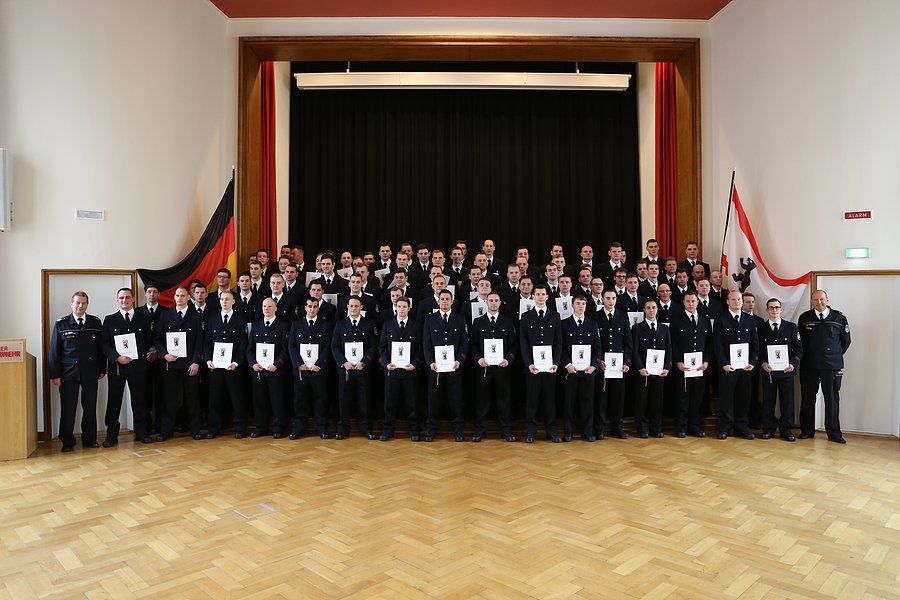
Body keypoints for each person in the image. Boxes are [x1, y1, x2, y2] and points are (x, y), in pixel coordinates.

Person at [48, 291, 106, 452]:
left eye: (84, 303)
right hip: (68, 373)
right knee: (68, 409)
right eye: (77, 303)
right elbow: (54, 352)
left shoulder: (95, 323)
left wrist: (102, 369)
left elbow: (100, 349)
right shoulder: (61, 324)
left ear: (87, 304)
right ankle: (67, 442)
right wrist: (55, 375)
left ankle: (90, 439)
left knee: (90, 407)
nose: (80, 306)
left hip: (90, 372)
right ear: (71, 304)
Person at [101, 287, 155, 446]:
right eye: (121, 298)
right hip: (118, 367)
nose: (124, 300)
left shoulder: (143, 318)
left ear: (133, 299)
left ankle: (142, 433)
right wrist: (117, 357)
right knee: (114, 402)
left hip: (138, 367)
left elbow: (148, 341)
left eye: (127, 297)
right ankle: (111, 436)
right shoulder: (110, 320)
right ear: (117, 300)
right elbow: (104, 344)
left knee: (140, 401)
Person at [798, 290, 851, 443]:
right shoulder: (805, 318)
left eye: (821, 299)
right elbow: (799, 342)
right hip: (810, 365)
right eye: (815, 300)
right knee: (808, 399)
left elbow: (846, 341)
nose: (819, 302)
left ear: (827, 299)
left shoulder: (839, 318)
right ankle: (807, 430)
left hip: (831, 366)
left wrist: (833, 355)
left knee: (832, 400)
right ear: (812, 301)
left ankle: (834, 433)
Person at [154, 286, 205, 441]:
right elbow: (157, 339)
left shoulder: (196, 317)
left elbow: (199, 342)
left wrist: (196, 362)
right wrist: (164, 355)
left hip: (189, 365)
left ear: (188, 297)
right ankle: (166, 431)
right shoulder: (165, 316)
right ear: (174, 297)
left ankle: (195, 429)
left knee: (193, 398)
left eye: (183, 295)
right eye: (177, 295)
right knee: (169, 399)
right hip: (171, 364)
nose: (180, 298)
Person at [469, 291, 517, 442]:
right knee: (482, 400)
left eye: (496, 300)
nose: (494, 303)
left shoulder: (507, 321)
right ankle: (480, 430)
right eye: (491, 300)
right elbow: (473, 345)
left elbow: (513, 345)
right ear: (486, 302)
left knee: (504, 400)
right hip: (484, 368)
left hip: (502, 368)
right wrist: (478, 359)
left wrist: (509, 359)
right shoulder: (478, 322)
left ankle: (506, 430)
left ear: (500, 303)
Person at [422, 289, 468, 442]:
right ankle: (431, 430)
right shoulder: (430, 320)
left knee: (456, 400)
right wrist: (430, 362)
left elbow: (464, 344)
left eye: (447, 299)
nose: (445, 301)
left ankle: (458, 431)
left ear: (452, 301)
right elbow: (426, 344)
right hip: (435, 369)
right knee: (433, 401)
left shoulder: (460, 319)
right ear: (438, 301)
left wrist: (459, 361)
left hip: (454, 367)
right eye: (442, 299)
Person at [713, 290, 760, 440]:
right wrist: (724, 363)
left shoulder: (749, 320)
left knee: (744, 398)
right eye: (733, 299)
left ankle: (742, 427)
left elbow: (755, 344)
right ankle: (725, 427)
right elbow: (717, 344)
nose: (737, 302)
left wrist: (753, 362)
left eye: (739, 299)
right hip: (727, 368)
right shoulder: (721, 319)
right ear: (727, 302)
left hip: (745, 368)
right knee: (726, 398)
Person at [519, 284, 562, 443]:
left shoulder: (555, 316)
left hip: (550, 367)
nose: (541, 297)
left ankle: (551, 431)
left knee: (550, 400)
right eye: (537, 294)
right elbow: (523, 343)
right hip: (533, 368)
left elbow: (559, 342)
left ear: (547, 297)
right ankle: (531, 432)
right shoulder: (526, 316)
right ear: (533, 296)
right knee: (532, 401)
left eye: (543, 294)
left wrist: (556, 362)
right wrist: (529, 363)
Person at [331, 296, 378, 440]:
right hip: (345, 370)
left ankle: (366, 429)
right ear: (347, 307)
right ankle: (343, 429)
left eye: (356, 306)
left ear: (361, 307)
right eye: (351, 306)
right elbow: (335, 346)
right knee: (344, 400)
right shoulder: (340, 324)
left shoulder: (369, 324)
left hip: (362, 369)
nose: (353, 308)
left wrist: (364, 361)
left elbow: (373, 346)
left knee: (364, 400)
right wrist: (343, 362)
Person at [204, 290, 248, 439]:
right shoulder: (212, 319)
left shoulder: (240, 319)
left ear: (233, 301)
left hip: (233, 366)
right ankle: (214, 428)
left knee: (237, 398)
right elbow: (207, 342)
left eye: (228, 299)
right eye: (222, 299)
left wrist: (236, 362)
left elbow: (243, 343)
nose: (224, 301)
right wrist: (208, 359)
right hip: (215, 366)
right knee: (214, 398)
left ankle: (240, 428)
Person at [288, 297, 333, 439]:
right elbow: (292, 346)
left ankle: (322, 428)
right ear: (305, 308)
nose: (312, 309)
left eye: (315, 306)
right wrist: (298, 364)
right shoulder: (296, 325)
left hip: (318, 370)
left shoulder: (325, 325)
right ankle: (298, 429)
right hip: (301, 370)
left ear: (318, 308)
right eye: (309, 306)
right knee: (300, 401)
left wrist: (319, 364)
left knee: (321, 400)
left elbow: (327, 346)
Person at [758, 298, 803, 441]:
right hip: (769, 372)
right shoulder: (761, 329)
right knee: (768, 401)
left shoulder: (791, 327)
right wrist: (763, 363)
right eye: (771, 308)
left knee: (787, 402)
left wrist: (792, 364)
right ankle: (768, 429)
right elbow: (757, 351)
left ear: (781, 309)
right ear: (767, 310)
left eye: (777, 307)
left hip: (786, 371)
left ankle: (786, 430)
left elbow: (799, 349)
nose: (774, 310)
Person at [379, 296, 422, 441]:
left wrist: (415, 363)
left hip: (409, 371)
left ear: (409, 308)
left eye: (404, 306)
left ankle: (414, 430)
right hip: (392, 371)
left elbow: (419, 349)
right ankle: (387, 431)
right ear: (395, 308)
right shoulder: (388, 324)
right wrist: (386, 363)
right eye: (399, 306)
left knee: (412, 403)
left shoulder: (416, 326)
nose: (402, 309)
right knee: (389, 404)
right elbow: (382, 347)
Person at [246, 297, 290, 439]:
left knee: (277, 401)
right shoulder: (256, 325)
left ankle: (278, 428)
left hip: (275, 371)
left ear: (276, 308)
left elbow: (285, 349)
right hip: (258, 371)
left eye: (270, 306)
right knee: (259, 401)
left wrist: (277, 364)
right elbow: (249, 349)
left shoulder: (283, 326)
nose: (267, 308)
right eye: (264, 306)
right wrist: (253, 364)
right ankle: (261, 428)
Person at [669, 290, 711, 437]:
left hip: (700, 367)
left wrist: (706, 361)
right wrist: (678, 362)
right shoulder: (676, 320)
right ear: (684, 302)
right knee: (682, 398)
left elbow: (709, 343)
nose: (691, 304)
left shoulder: (704, 320)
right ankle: (681, 427)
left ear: (698, 302)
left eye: (693, 301)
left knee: (697, 398)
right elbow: (672, 343)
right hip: (682, 367)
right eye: (688, 301)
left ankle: (694, 426)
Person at [560, 296, 602, 441]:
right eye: (578, 303)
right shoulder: (564, 324)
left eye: (583, 304)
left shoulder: (592, 324)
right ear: (572, 305)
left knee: (587, 403)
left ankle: (587, 432)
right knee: (569, 403)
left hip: (587, 371)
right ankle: (568, 432)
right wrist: (567, 365)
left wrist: (594, 365)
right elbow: (561, 347)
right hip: (570, 371)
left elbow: (597, 347)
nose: (581, 306)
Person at [631, 299, 672, 438]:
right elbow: (634, 351)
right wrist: (640, 368)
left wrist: (667, 367)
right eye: (648, 308)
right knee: (641, 401)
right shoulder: (637, 328)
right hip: (643, 372)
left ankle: (656, 427)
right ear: (644, 310)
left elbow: (669, 350)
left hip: (659, 372)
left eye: (653, 307)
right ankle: (642, 428)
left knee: (657, 401)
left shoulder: (664, 328)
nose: (651, 310)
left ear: (657, 309)